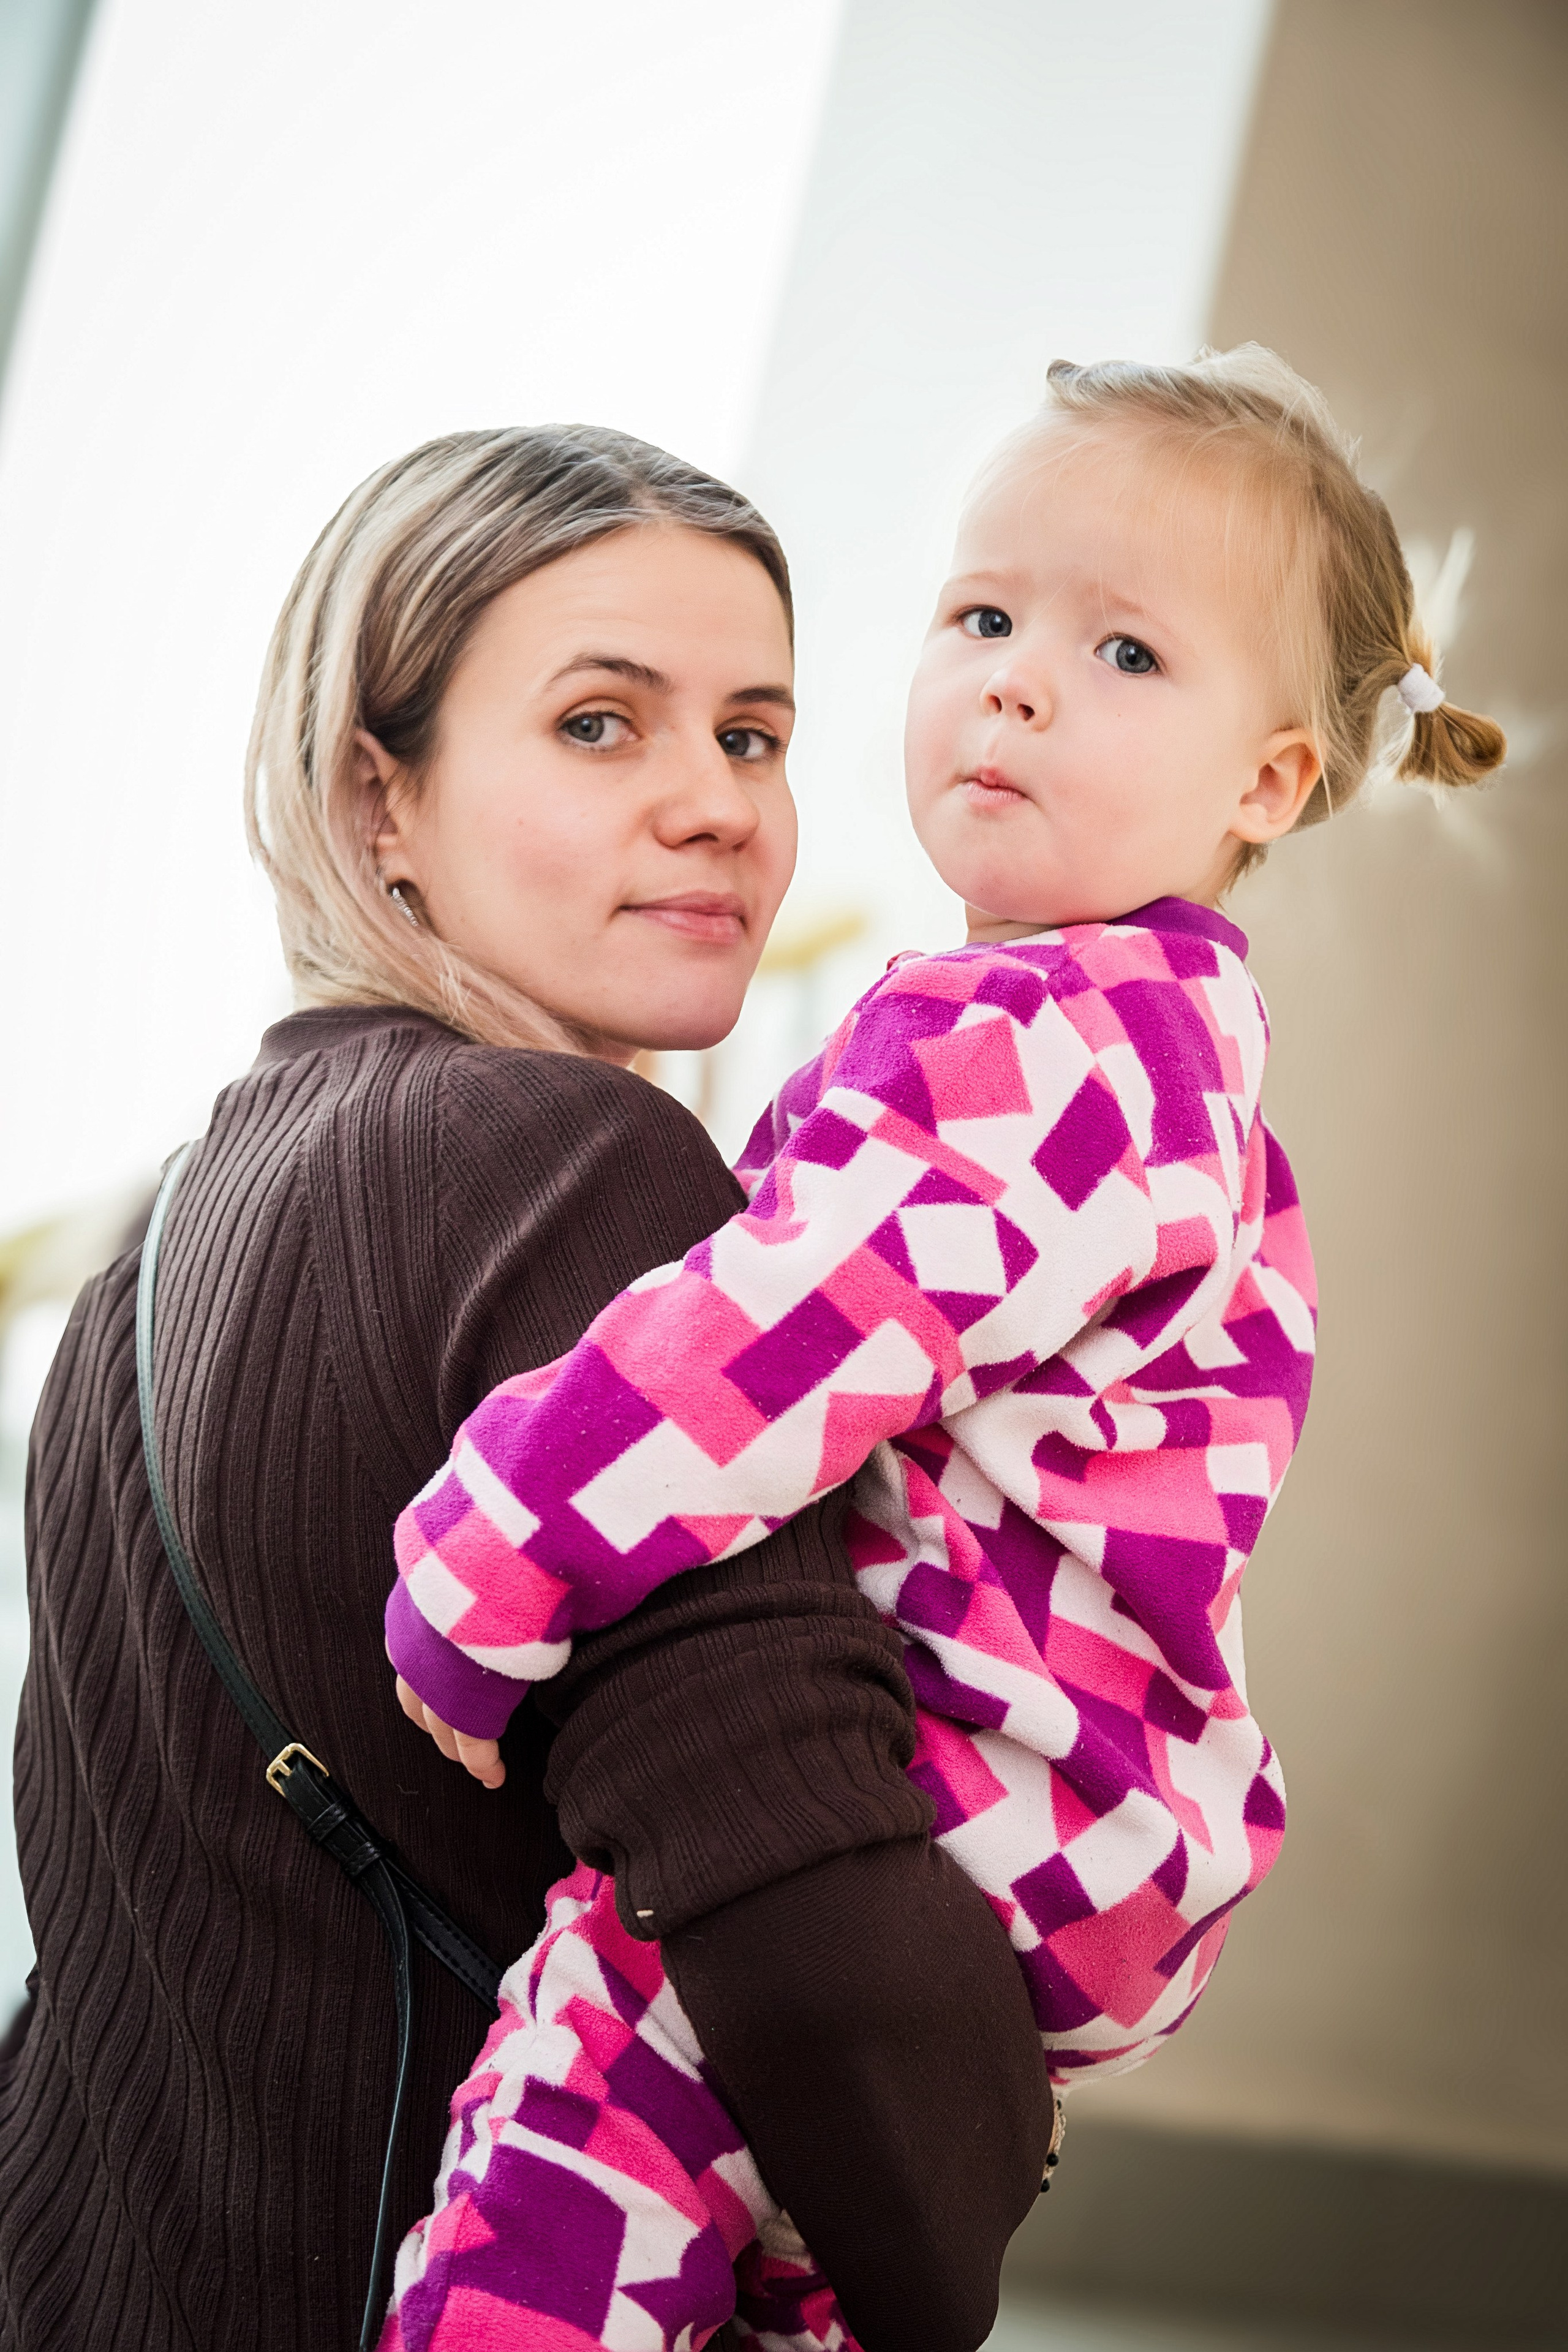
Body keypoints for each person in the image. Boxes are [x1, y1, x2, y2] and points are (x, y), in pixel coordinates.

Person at [384, 347, 1509, 2350]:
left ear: (1270, 782)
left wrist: (483, 1567)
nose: (1012, 678)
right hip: (1083, 1824)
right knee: (782, 2223)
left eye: (1125, 652)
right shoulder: (1173, 1058)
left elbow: (762, 1349)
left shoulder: (1041, 1054)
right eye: (982, 615)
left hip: (993, 1782)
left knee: (594, 2079)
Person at [0, 428, 1053, 2352]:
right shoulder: (577, 1175)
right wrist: (991, 2134)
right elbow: (809, 1940)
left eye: (752, 734)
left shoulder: (164, 1235)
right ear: (378, 798)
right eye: (598, 725)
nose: (716, 806)